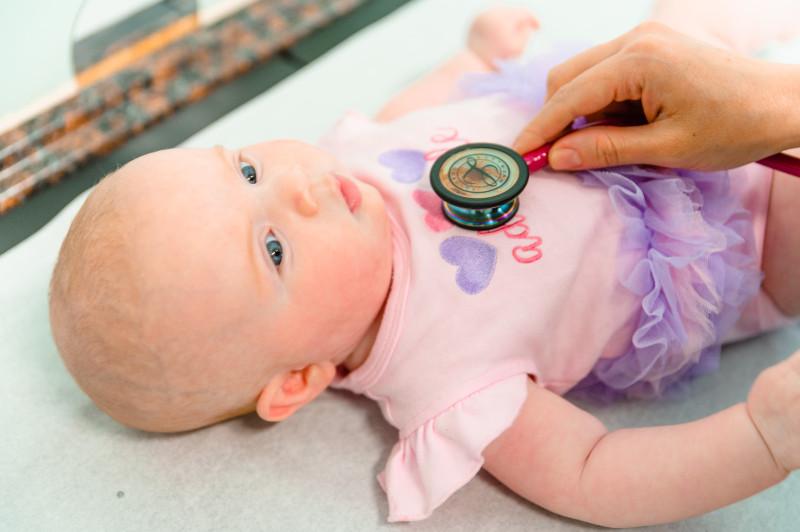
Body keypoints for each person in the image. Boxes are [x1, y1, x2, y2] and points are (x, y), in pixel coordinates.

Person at [48, 3, 800, 528]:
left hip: (666, 102)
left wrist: (477, 56)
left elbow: (420, 110)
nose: (294, 188)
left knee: (677, 28)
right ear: (299, 379)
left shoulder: (348, 159)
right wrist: (758, 440)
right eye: (273, 248)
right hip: (750, 244)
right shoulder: (448, 382)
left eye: (246, 170)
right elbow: (593, 473)